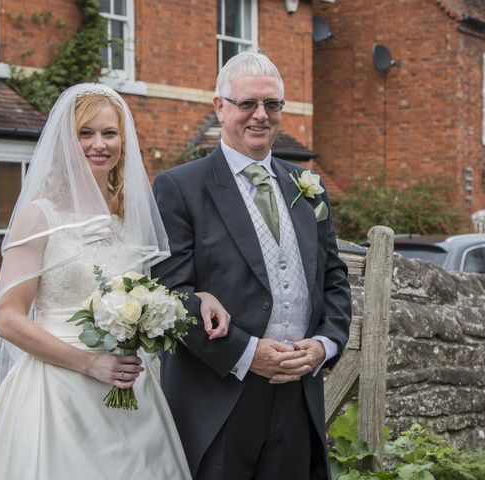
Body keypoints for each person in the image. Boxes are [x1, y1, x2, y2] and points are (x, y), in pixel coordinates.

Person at [0, 83, 230, 480]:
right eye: (84, 133)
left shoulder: (130, 217)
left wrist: (201, 296)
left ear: (124, 139)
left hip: (131, 391)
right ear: (65, 142)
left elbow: (155, 292)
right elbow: (8, 319)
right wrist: (90, 363)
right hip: (57, 393)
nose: (98, 144)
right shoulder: (39, 215)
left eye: (109, 132)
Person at [152, 52, 352, 480]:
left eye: (272, 104)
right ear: (220, 107)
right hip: (218, 398)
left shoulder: (308, 188)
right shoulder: (179, 188)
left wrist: (323, 346)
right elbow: (169, 293)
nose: (261, 116)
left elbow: (334, 279)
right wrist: (247, 353)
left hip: (298, 396)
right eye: (247, 104)